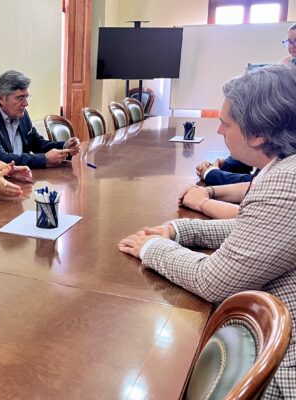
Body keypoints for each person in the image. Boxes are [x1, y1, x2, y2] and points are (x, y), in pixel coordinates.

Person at [118, 64, 296, 399]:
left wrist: (151, 248)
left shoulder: (286, 182)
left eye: (225, 123)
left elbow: (213, 281)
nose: (218, 131)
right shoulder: (284, 164)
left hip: (282, 372)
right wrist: (180, 229)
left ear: (258, 134)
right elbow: (254, 230)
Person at [0, 70, 80, 169]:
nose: (26, 103)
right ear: (1, 98)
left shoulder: (21, 114)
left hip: (22, 177)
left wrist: (64, 146)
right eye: (20, 98)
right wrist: (44, 159)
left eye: (27, 97)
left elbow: (38, 144)